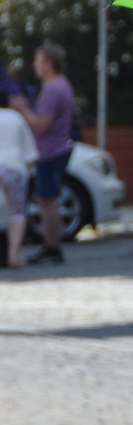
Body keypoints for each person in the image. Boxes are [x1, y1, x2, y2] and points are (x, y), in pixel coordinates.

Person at [14, 43, 74, 265]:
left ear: (48, 63)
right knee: (47, 199)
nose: (34, 64)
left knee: (47, 200)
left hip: (49, 151)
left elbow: (41, 125)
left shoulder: (52, 89)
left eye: (37, 60)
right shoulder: (62, 85)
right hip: (56, 149)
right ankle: (52, 246)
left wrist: (22, 108)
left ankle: (52, 247)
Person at [0, 87, 37, 268]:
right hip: (14, 169)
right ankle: (13, 255)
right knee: (17, 213)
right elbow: (31, 155)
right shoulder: (17, 118)